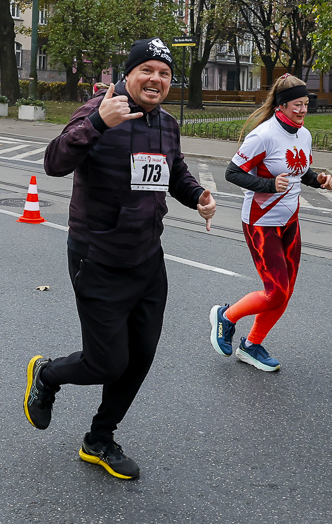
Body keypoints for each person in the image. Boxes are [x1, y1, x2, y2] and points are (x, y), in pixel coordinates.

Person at [24, 38, 217, 480]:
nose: (156, 79)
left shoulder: (166, 123)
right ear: (127, 74)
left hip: (148, 260)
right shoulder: (101, 110)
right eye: (147, 69)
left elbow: (176, 173)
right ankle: (48, 374)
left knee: (141, 357)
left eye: (165, 73)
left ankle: (99, 438)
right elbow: (54, 161)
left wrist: (198, 197)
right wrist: (96, 121)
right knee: (107, 362)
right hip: (98, 256)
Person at [209, 74, 332, 372]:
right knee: (276, 291)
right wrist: (267, 185)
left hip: (290, 220)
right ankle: (226, 317)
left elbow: (299, 170)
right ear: (281, 105)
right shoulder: (263, 135)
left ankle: (251, 345)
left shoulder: (303, 134)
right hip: (260, 222)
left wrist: (318, 179)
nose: (303, 110)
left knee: (286, 291)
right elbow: (232, 172)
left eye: (306, 104)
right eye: (297, 105)